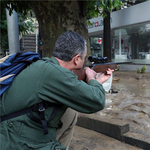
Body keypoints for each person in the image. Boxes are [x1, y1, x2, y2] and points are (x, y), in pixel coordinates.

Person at [0, 31, 113, 150]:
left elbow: (74, 91)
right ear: (77, 58)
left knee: (70, 113)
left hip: (13, 127)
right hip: (13, 139)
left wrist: (94, 80)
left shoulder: (44, 65)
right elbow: (97, 101)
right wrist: (93, 78)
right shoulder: (53, 73)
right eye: (84, 57)